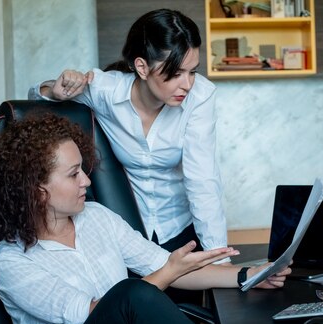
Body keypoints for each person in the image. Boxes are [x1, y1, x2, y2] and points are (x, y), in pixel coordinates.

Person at [0, 112, 288, 324]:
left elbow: (167, 265)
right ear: (38, 190)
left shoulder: (96, 217)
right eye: (73, 174)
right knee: (129, 295)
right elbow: (92, 313)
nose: (86, 180)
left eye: (83, 169)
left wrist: (248, 274)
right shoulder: (10, 260)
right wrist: (167, 273)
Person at [28, 9, 226, 265]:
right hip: (128, 229)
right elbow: (37, 101)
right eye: (176, 73)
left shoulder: (200, 96)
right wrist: (55, 88)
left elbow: (203, 181)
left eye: (192, 72)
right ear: (142, 67)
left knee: (188, 300)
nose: (187, 84)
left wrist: (220, 259)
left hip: (180, 228)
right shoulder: (106, 91)